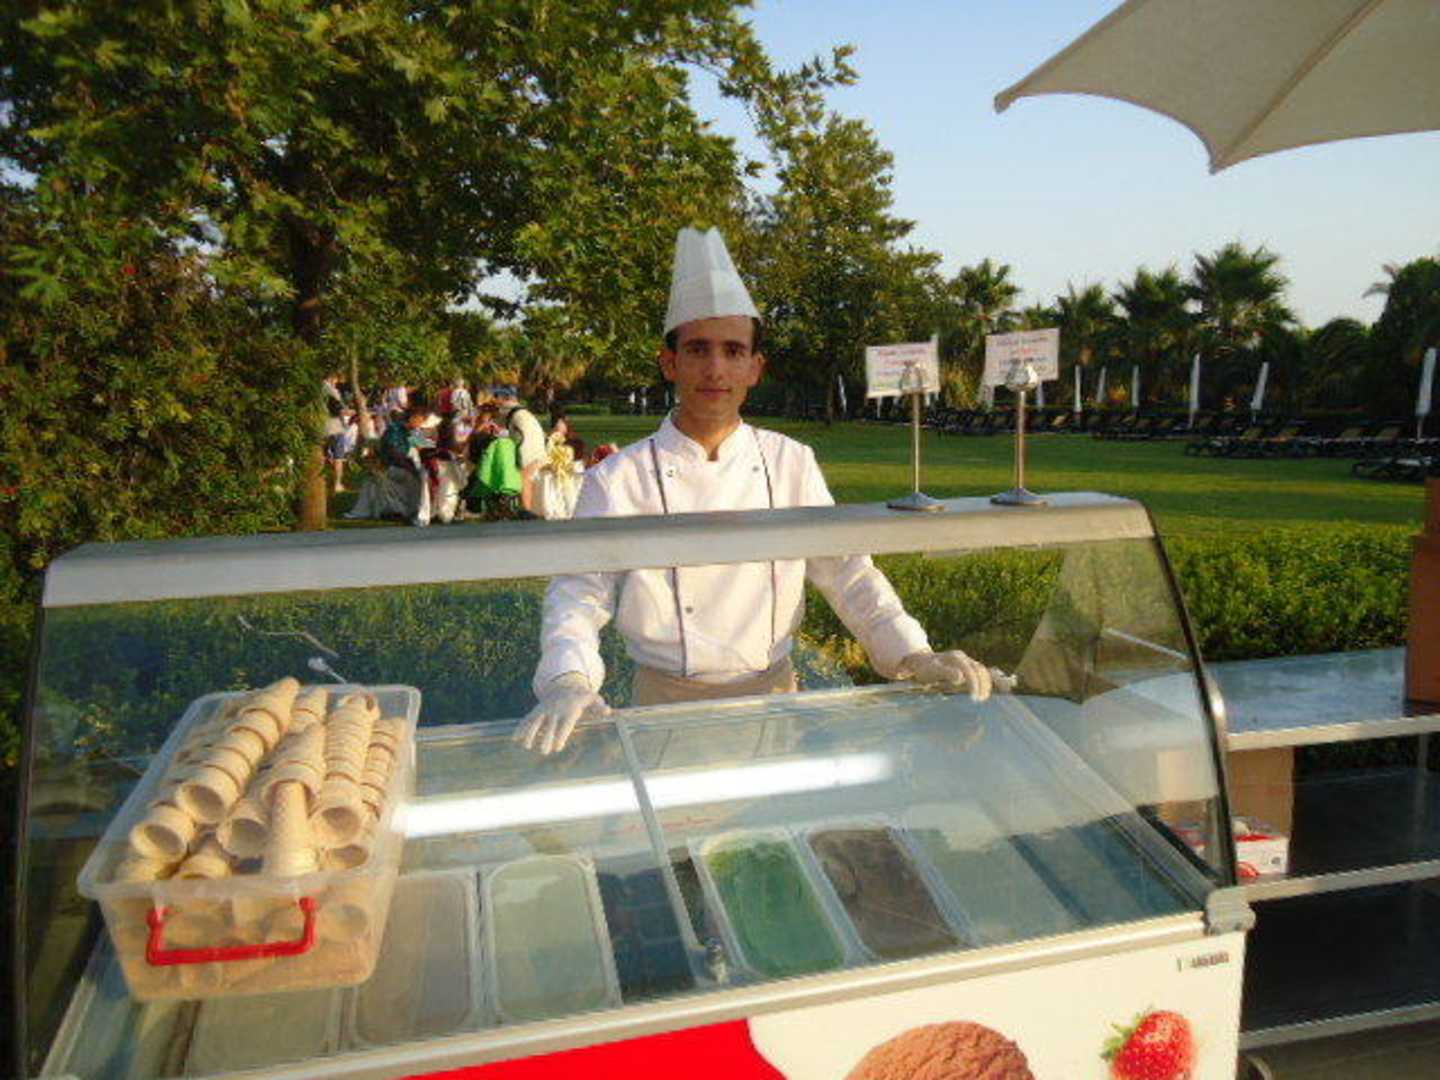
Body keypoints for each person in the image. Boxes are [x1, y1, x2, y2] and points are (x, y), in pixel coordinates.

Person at [517, 226, 1002, 754]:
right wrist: (569, 680)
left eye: (733, 350)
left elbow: (848, 573)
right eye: (698, 349)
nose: (715, 369)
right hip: (662, 707)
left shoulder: (791, 462)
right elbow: (577, 595)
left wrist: (914, 654)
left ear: (755, 367)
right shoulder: (617, 478)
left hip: (775, 698)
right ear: (669, 363)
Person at [495, 387, 547, 513]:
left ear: (504, 398)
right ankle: (529, 509)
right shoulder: (520, 409)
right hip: (538, 442)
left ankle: (526, 510)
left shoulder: (506, 408)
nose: (496, 400)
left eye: (497, 397)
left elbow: (495, 423)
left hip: (528, 443)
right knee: (529, 476)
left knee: (524, 477)